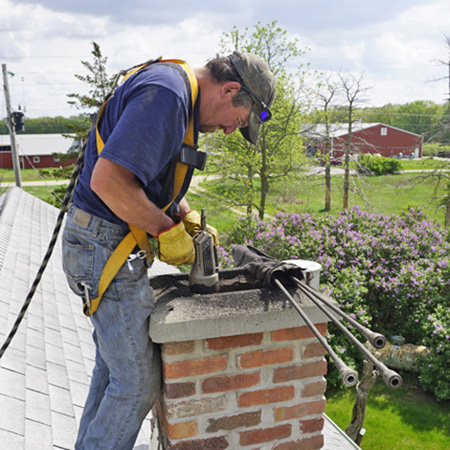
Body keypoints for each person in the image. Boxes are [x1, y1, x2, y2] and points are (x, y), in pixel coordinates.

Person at [62, 51, 275, 449]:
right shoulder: (167, 94)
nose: (229, 131)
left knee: (114, 371)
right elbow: (110, 182)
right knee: (138, 383)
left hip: (103, 243)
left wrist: (185, 214)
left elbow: (147, 176)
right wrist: (167, 231)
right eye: (238, 121)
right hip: (104, 246)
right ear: (230, 90)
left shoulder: (176, 93)